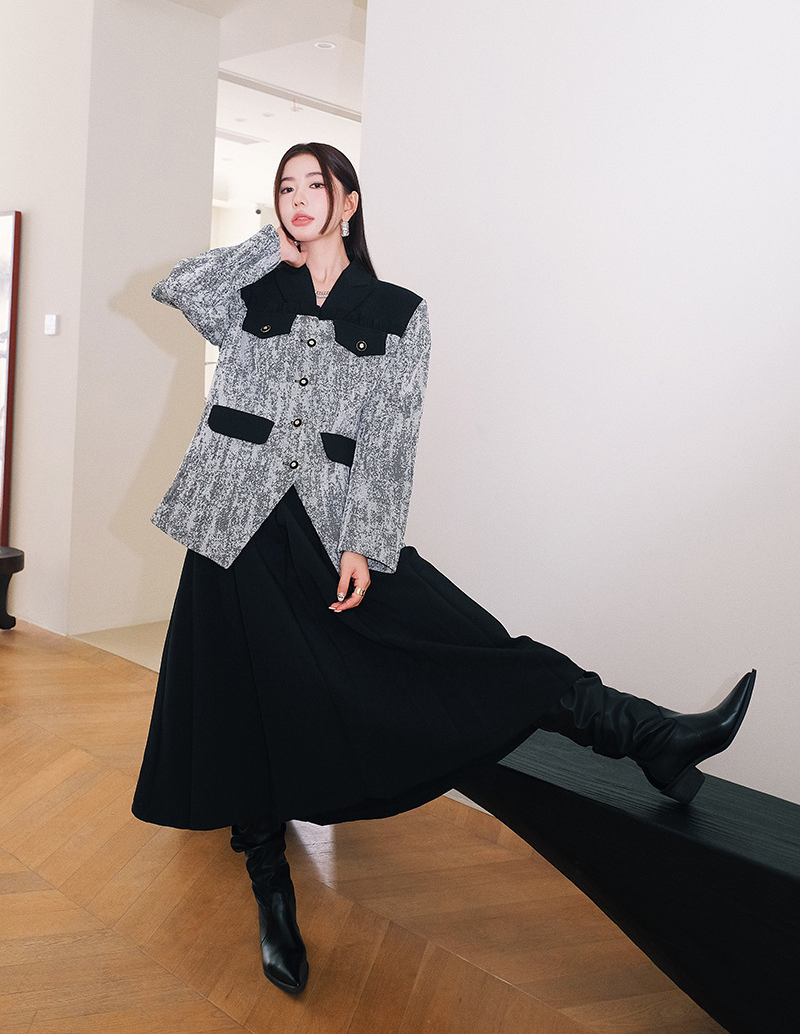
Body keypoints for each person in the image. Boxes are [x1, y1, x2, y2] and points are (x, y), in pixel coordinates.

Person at [133, 142, 755, 997]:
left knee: (462, 643)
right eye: (286, 187)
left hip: (329, 527)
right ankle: (272, 891)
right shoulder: (250, 291)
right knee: (243, 699)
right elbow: (178, 287)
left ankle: (647, 735)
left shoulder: (397, 311)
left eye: (317, 185)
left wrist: (364, 542)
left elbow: (391, 439)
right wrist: (262, 247)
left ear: (350, 202)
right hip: (231, 521)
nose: (299, 198)